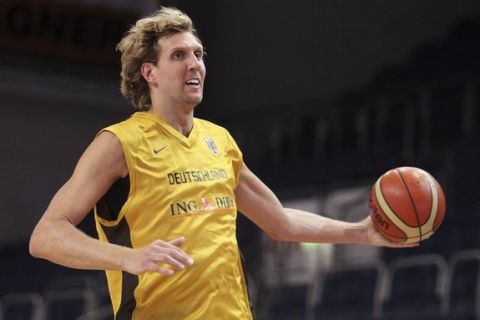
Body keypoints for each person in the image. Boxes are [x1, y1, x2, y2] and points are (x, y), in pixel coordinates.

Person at [29, 7, 414, 320]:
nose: (194, 64)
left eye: (198, 54)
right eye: (179, 56)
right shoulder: (119, 143)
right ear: (150, 73)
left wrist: (361, 233)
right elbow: (46, 236)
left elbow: (279, 221)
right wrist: (129, 258)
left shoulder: (219, 141)